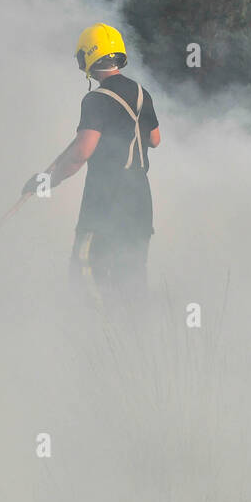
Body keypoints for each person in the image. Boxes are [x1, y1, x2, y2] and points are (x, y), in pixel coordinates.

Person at [22, 23, 160, 308]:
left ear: (87, 58)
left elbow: (81, 153)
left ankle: (93, 340)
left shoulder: (96, 99)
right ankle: (137, 341)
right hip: (140, 200)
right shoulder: (141, 93)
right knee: (131, 278)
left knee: (86, 275)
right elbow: (155, 140)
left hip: (106, 200)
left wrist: (45, 182)